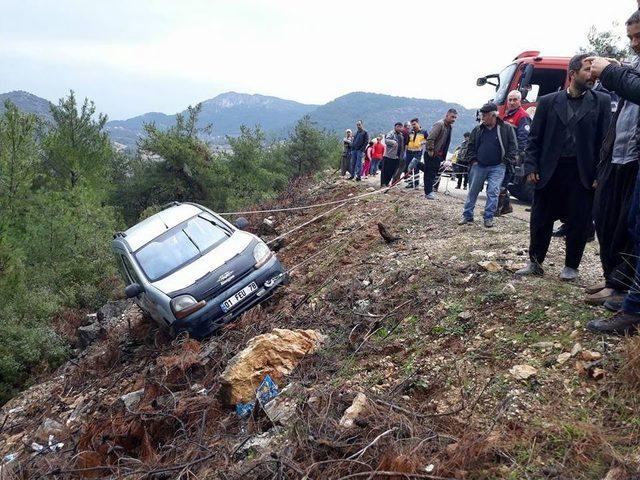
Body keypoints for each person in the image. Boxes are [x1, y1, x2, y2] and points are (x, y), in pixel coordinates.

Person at [516, 54, 612, 281]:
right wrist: (530, 166)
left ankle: (571, 266)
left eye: (593, 70)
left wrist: (600, 174)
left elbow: (604, 142)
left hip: (582, 172)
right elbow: (534, 139)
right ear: (572, 74)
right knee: (541, 218)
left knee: (579, 220)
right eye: (587, 70)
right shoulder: (549, 102)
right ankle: (535, 262)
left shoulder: (601, 102)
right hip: (550, 170)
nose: (592, 74)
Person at [586, 12, 640, 333]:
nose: (635, 44)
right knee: (621, 224)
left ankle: (630, 303)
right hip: (617, 158)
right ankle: (622, 289)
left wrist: (611, 72)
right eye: (631, 37)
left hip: (632, 160)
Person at [458, 102, 517, 228]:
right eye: (481, 115)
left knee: (493, 191)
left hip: (498, 166)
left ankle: (488, 217)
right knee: (473, 191)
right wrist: (473, 160)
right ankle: (467, 215)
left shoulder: (506, 128)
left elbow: (513, 147)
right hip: (479, 165)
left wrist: (506, 161)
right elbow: (471, 146)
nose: (482, 118)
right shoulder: (478, 129)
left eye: (484, 115)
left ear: (493, 115)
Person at [497, 91, 532, 215]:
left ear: (520, 101)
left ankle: (498, 208)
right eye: (510, 100)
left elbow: (524, 137)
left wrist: (518, 155)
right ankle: (505, 207)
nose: (512, 102)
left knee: (502, 181)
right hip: (504, 154)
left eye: (514, 100)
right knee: (502, 180)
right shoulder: (507, 115)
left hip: (512, 155)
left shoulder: (522, 116)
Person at [422, 109, 457, 199]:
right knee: (430, 174)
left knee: (431, 172)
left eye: (455, 117)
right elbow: (430, 138)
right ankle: (428, 192)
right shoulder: (439, 124)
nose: (454, 119)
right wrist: (430, 151)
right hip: (433, 153)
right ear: (447, 115)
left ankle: (417, 164)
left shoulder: (449, 127)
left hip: (439, 155)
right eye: (452, 117)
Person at [405, 118, 428, 189]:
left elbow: (429, 140)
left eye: (414, 124)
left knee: (416, 167)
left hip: (417, 152)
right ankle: (410, 183)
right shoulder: (410, 132)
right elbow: (407, 142)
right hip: (409, 152)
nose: (413, 126)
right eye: (412, 125)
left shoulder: (424, 132)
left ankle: (416, 183)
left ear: (418, 123)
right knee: (409, 167)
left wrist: (421, 143)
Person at [381, 122, 405, 187]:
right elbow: (386, 140)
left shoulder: (401, 136)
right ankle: (383, 183)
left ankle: (387, 182)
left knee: (392, 171)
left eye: (400, 127)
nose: (399, 128)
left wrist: (401, 155)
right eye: (398, 127)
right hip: (389, 155)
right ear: (395, 127)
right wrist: (393, 142)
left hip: (397, 156)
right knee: (385, 170)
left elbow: (402, 146)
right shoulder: (391, 133)